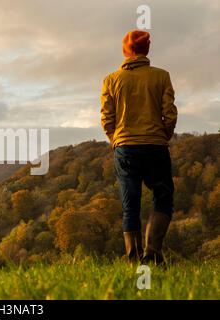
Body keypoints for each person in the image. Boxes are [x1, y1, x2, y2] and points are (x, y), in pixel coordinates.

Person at [100, 30, 178, 265]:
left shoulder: (111, 79)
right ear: (147, 49)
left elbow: (106, 118)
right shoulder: (161, 76)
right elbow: (170, 114)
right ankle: (152, 254)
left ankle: (134, 262)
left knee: (129, 203)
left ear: (126, 50)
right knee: (163, 197)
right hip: (155, 146)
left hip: (125, 148)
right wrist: (163, 136)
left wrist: (116, 140)